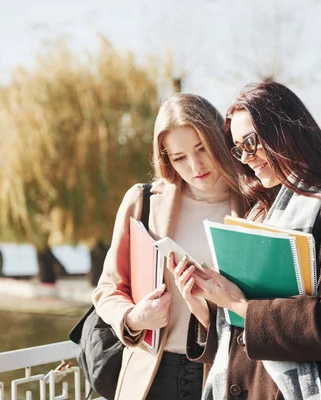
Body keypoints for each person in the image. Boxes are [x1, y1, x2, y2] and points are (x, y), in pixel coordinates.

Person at [172, 81, 321, 400]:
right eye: (238, 148)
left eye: (252, 141)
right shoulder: (260, 215)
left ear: (285, 132)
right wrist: (208, 309)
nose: (246, 157)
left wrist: (238, 305)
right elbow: (243, 339)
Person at [92, 93, 247, 400]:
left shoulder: (253, 202)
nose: (195, 165)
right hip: (150, 373)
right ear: (166, 158)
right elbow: (108, 289)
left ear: (220, 138)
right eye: (179, 157)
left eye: (202, 148)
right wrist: (135, 318)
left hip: (223, 373)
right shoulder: (144, 201)